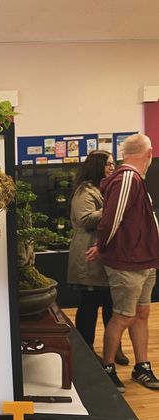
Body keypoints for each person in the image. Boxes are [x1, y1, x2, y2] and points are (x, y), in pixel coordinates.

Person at [86, 134, 159, 392]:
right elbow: (112, 218)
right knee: (122, 316)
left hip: (145, 260)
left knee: (141, 314)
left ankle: (142, 366)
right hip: (128, 261)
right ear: (148, 153)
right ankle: (108, 367)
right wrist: (103, 246)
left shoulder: (135, 179)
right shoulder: (128, 177)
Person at [67, 150, 128, 364]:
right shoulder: (85, 191)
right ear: (96, 167)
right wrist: (112, 209)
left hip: (105, 257)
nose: (112, 167)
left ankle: (115, 349)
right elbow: (85, 220)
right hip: (88, 257)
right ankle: (86, 351)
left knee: (112, 305)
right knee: (89, 306)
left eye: (113, 163)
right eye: (108, 164)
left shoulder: (104, 188)